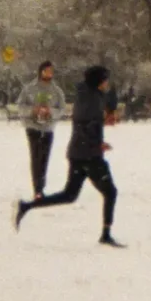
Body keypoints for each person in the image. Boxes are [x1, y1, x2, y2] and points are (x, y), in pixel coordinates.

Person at [15, 64, 123, 245]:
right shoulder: (92, 101)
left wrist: (103, 123)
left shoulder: (87, 95)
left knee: (69, 195)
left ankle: (26, 206)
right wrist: (98, 143)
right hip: (89, 155)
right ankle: (106, 234)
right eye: (105, 80)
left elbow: (92, 119)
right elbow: (87, 125)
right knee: (110, 192)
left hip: (78, 152)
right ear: (98, 82)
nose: (107, 84)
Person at [13, 60, 66, 198]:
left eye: (51, 71)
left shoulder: (56, 91)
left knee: (44, 157)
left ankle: (41, 186)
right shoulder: (29, 89)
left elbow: (61, 109)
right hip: (33, 128)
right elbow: (20, 107)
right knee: (36, 156)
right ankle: (37, 189)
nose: (49, 73)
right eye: (46, 70)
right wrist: (33, 110)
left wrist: (51, 112)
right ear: (40, 71)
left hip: (48, 128)